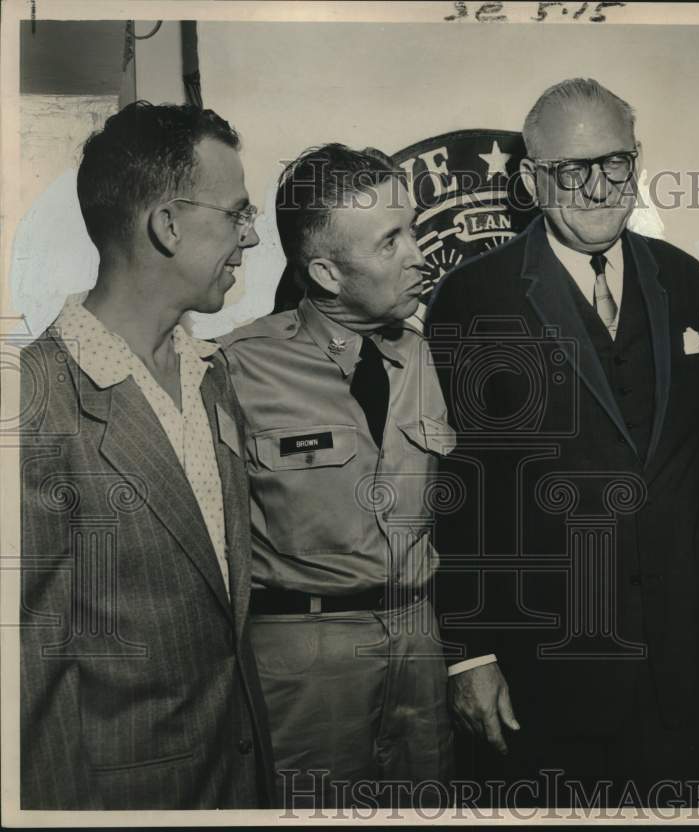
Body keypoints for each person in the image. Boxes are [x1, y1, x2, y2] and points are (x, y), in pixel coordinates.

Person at [425, 78, 699, 805]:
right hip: (546, 672)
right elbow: (459, 492)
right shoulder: (475, 296)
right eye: (568, 170)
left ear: (637, 159)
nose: (595, 187)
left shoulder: (682, 277)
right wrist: (472, 653)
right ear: (529, 179)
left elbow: (694, 428)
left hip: (681, 665)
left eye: (613, 162)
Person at [19, 101, 274, 809]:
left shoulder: (209, 373)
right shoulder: (36, 402)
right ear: (166, 224)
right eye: (235, 215)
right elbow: (29, 684)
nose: (250, 239)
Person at [216, 144, 453, 810]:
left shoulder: (423, 356)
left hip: (417, 643)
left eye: (412, 228)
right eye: (389, 242)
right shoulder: (236, 371)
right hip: (304, 663)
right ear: (325, 271)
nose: (417, 253)